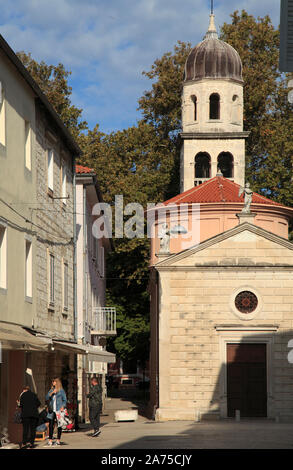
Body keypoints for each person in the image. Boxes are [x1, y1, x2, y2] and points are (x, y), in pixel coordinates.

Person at [45, 378, 67, 446]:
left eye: (54, 381)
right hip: (52, 410)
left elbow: (65, 400)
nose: (52, 383)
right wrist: (52, 393)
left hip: (58, 410)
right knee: (51, 425)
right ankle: (50, 440)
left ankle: (58, 440)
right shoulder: (51, 390)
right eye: (52, 381)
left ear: (57, 382)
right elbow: (46, 398)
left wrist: (63, 406)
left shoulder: (61, 391)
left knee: (59, 425)